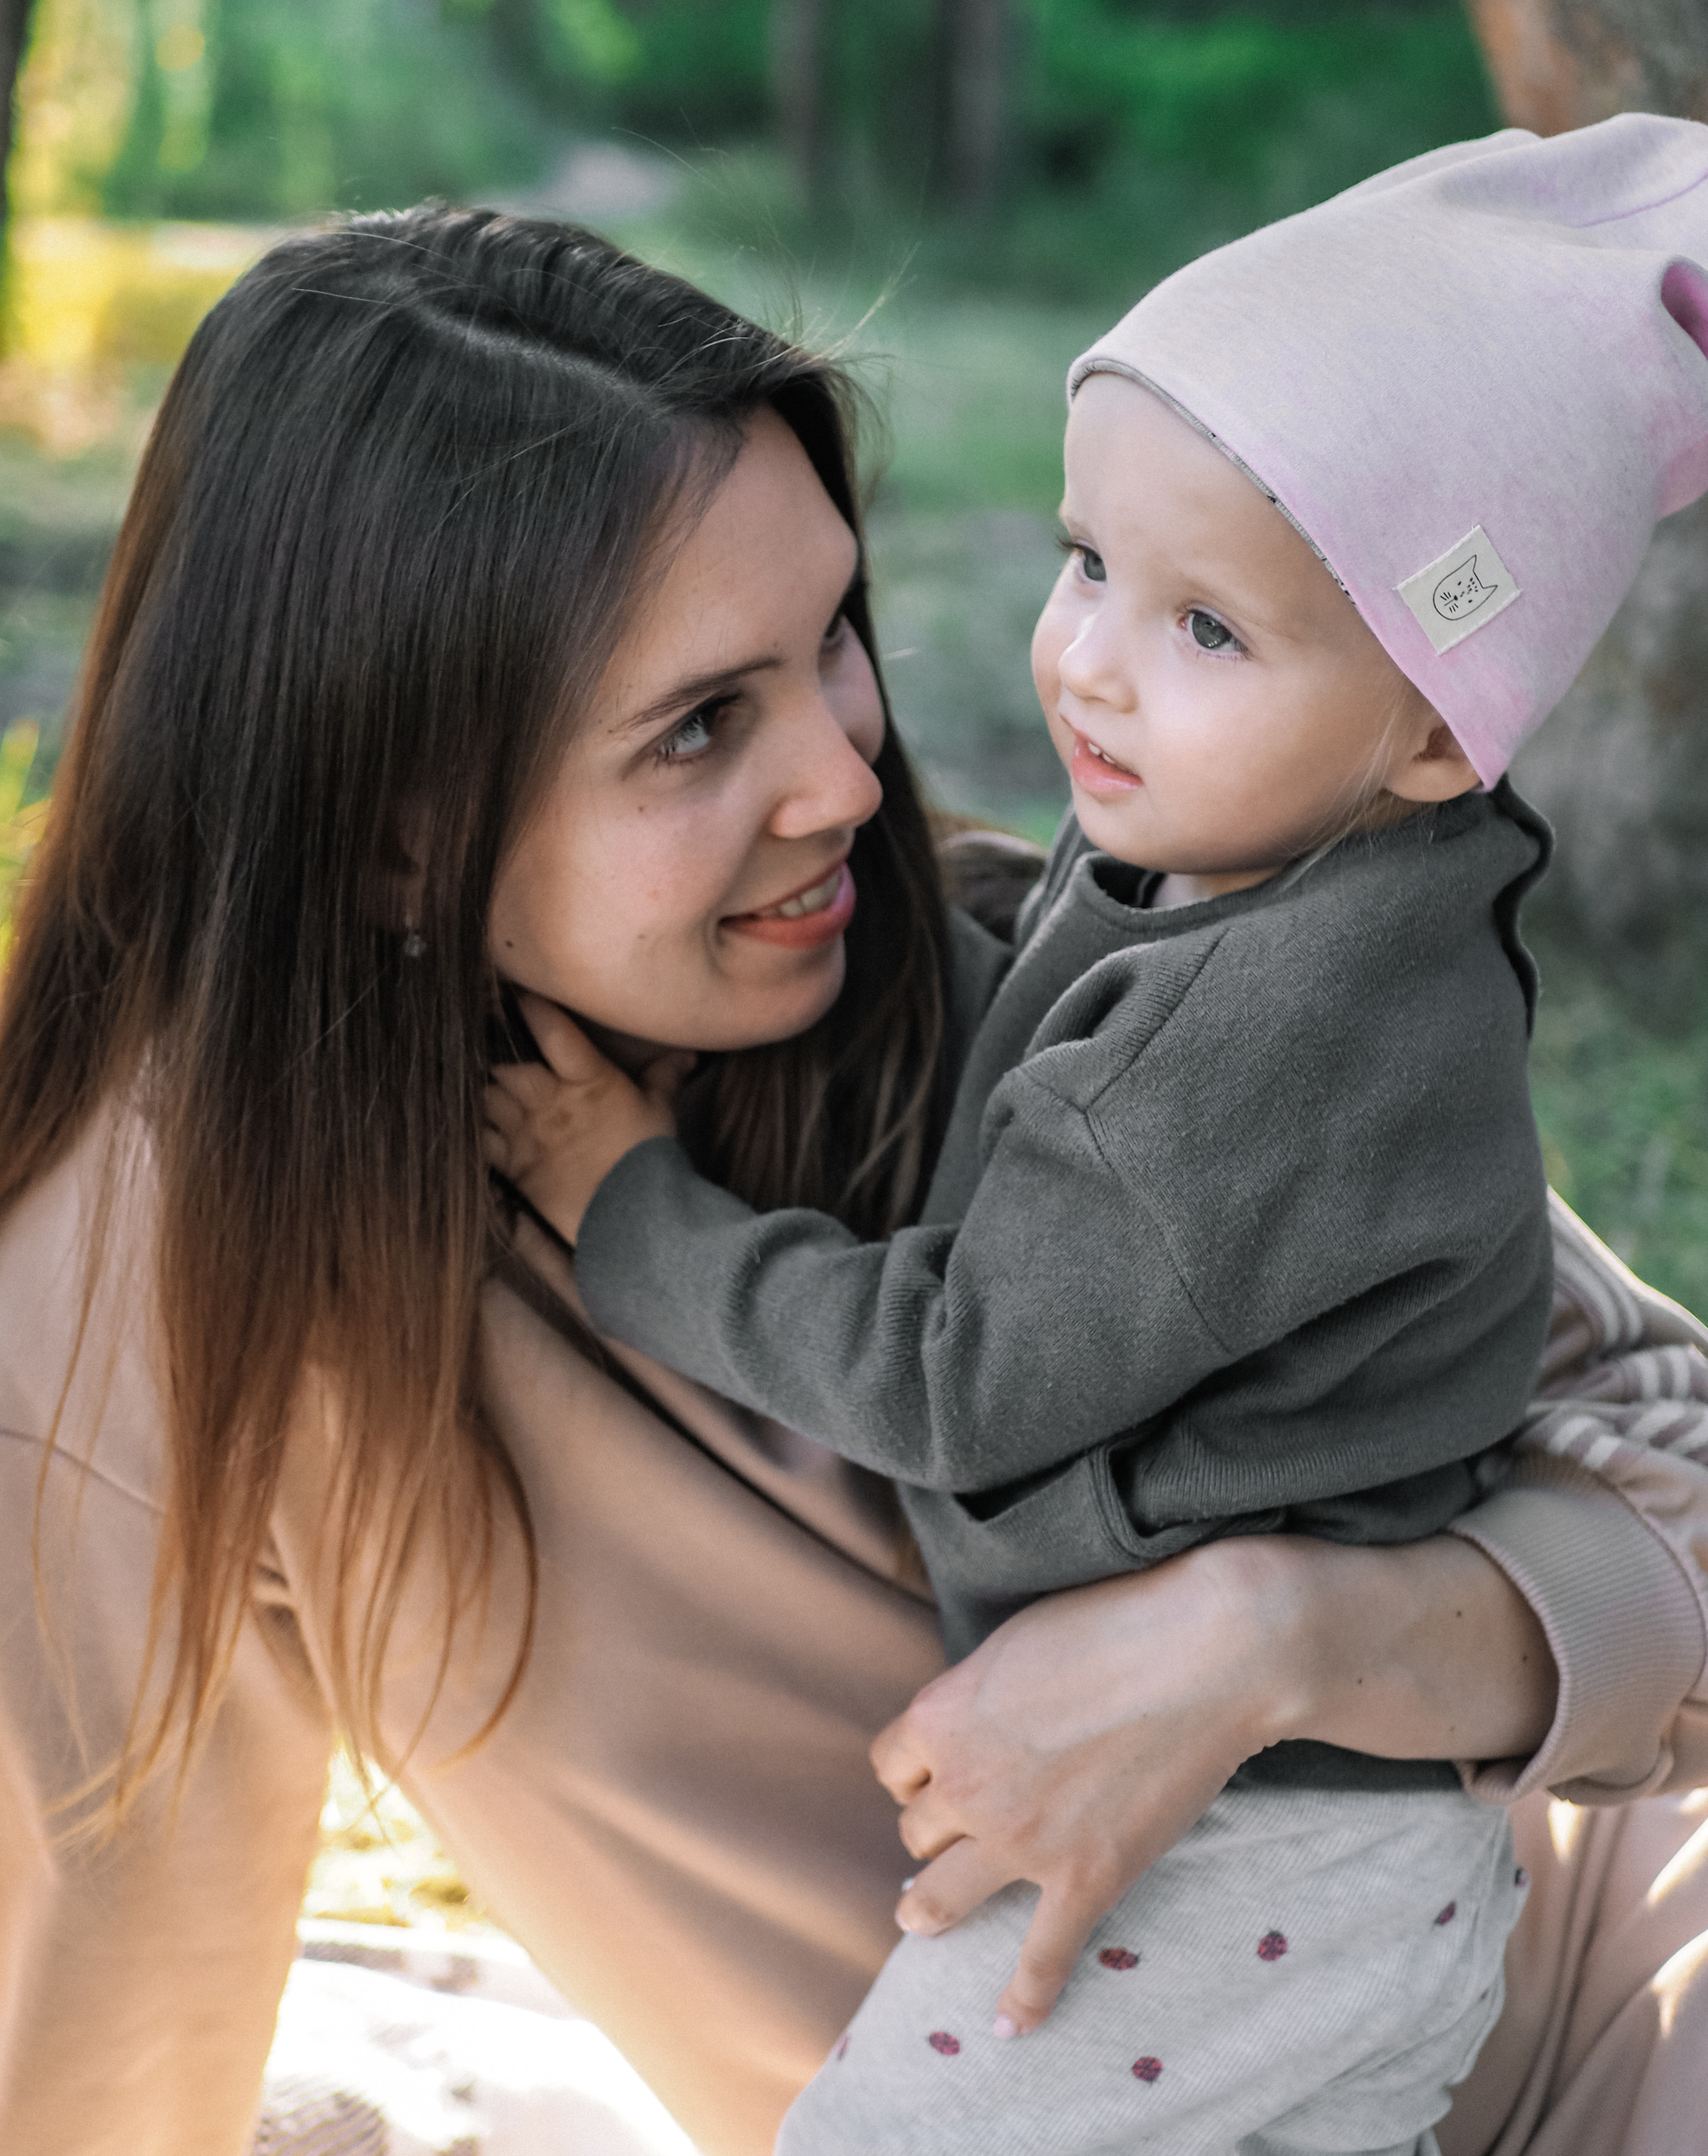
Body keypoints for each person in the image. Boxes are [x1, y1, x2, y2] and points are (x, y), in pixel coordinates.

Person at [0, 200, 1706, 2156]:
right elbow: (92, 2040)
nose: (847, 778)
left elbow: (1673, 1444)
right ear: (391, 835)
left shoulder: (1056, 982)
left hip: (1598, 2013)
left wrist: (1279, 1644)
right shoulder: (152, 1279)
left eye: (830, 638)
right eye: (698, 727)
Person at [484, 115, 1708, 2155]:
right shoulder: (1323, 887)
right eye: (1085, 562)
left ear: (1435, 727)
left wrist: (629, 1204)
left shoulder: (1250, 1053)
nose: (1087, 667)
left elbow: (954, 1378)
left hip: (1241, 1863)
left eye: (1207, 630)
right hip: (1377, 1857)